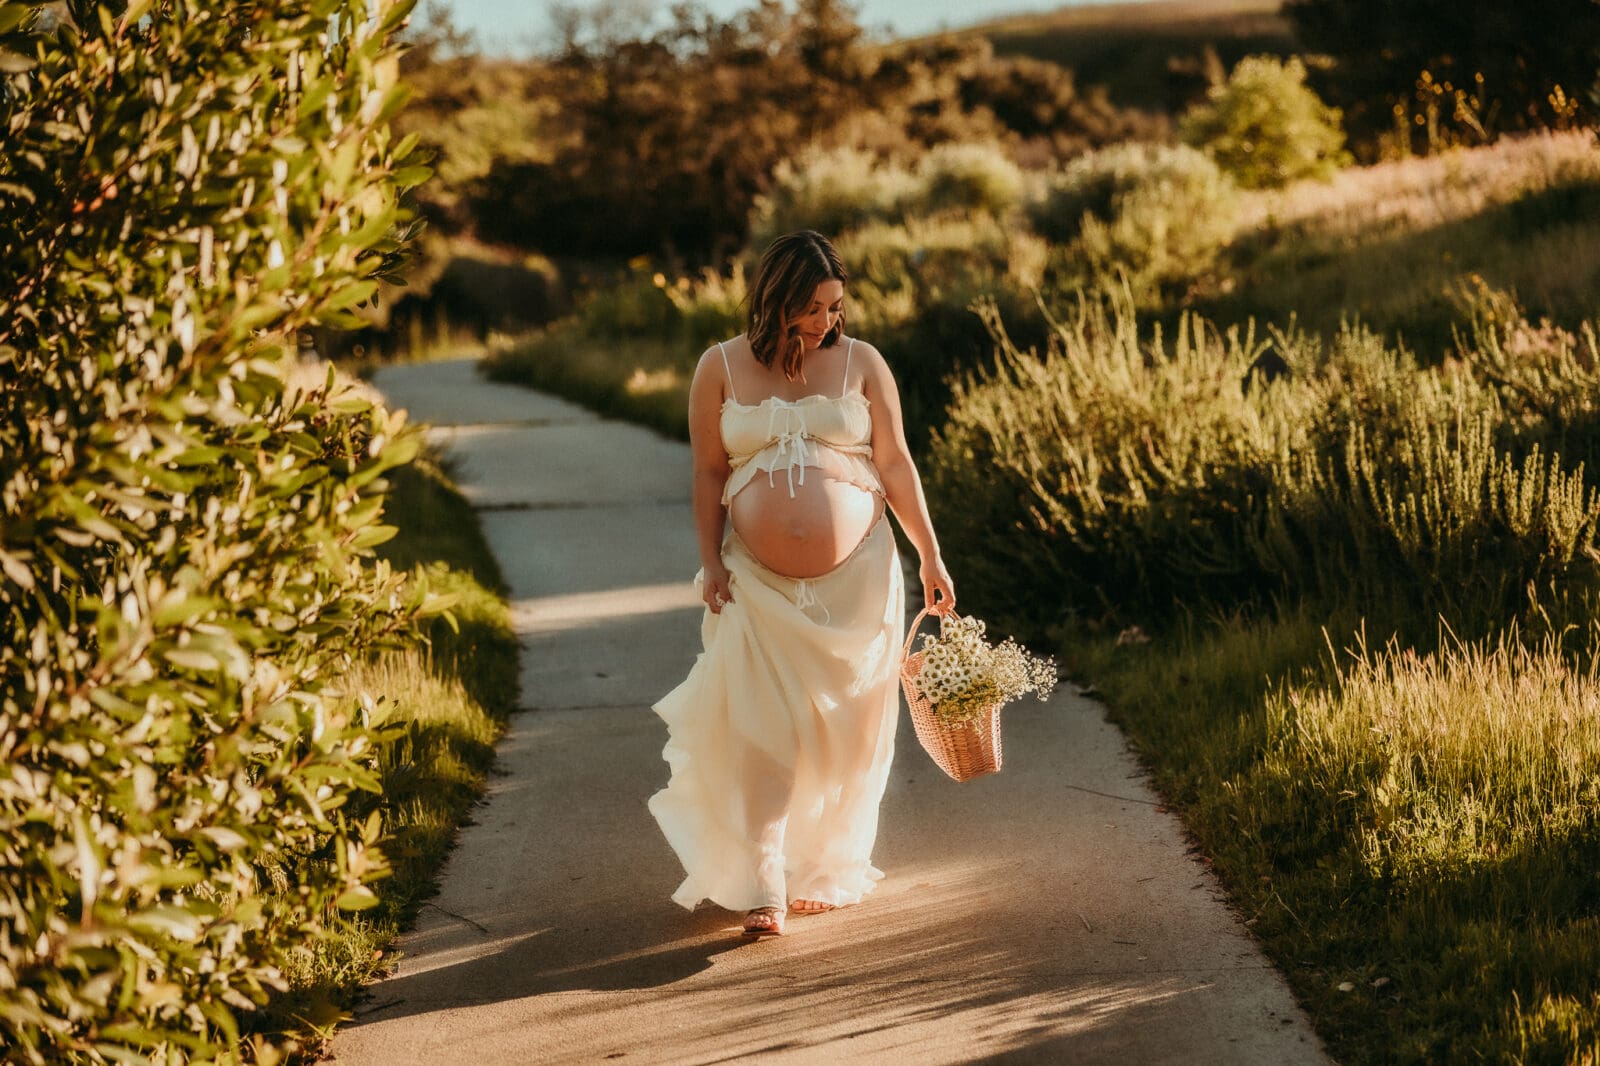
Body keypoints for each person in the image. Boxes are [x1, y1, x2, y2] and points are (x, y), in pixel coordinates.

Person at [648, 230, 955, 938]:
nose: (826, 323)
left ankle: (823, 867)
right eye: (812, 308)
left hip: (860, 582)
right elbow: (706, 474)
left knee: (846, 728)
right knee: (763, 728)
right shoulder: (718, 366)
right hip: (756, 584)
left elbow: (898, 464)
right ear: (775, 300)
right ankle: (765, 880)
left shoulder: (863, 363)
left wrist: (931, 556)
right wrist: (712, 561)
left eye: (835, 308)